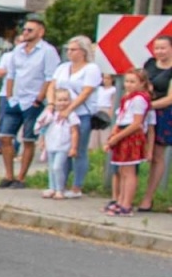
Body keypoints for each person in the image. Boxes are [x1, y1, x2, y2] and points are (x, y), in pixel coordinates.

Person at [0, 17, 60, 189]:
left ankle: (21, 177)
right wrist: (9, 95)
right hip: (16, 99)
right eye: (24, 29)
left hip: (33, 100)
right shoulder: (18, 49)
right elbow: (11, 74)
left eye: (30, 30)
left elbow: (50, 77)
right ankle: (8, 175)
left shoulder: (48, 51)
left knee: (28, 139)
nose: (25, 32)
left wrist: (40, 98)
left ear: (40, 32)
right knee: (5, 137)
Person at [46, 35, 103, 198]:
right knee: (60, 148)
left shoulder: (91, 69)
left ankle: (77, 185)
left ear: (83, 52)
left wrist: (69, 109)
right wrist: (51, 104)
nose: (69, 52)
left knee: (78, 149)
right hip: (60, 114)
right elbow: (53, 86)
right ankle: (58, 185)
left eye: (73, 49)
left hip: (81, 114)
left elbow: (86, 92)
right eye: (68, 49)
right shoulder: (63, 67)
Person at [104, 68, 154, 217]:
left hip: (131, 134)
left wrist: (117, 137)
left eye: (133, 82)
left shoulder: (139, 98)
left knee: (129, 171)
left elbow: (136, 123)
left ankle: (127, 204)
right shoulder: (128, 97)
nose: (128, 84)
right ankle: (121, 200)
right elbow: (121, 118)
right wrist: (114, 133)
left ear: (142, 83)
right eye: (127, 81)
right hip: (122, 132)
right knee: (122, 170)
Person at [136, 34, 172, 211]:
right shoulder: (149, 64)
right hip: (143, 112)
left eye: (163, 48)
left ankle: (148, 198)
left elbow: (170, 99)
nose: (159, 51)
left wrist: (146, 106)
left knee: (157, 156)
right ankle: (125, 194)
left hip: (164, 114)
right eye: (157, 48)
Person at [35, 87, 81, 200]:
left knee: (57, 167)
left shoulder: (71, 115)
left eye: (65, 100)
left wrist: (74, 147)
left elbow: (75, 132)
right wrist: (42, 142)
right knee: (51, 167)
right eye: (60, 100)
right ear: (54, 101)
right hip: (51, 145)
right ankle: (52, 187)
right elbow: (44, 129)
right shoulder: (51, 114)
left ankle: (60, 189)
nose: (63, 103)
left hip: (63, 146)